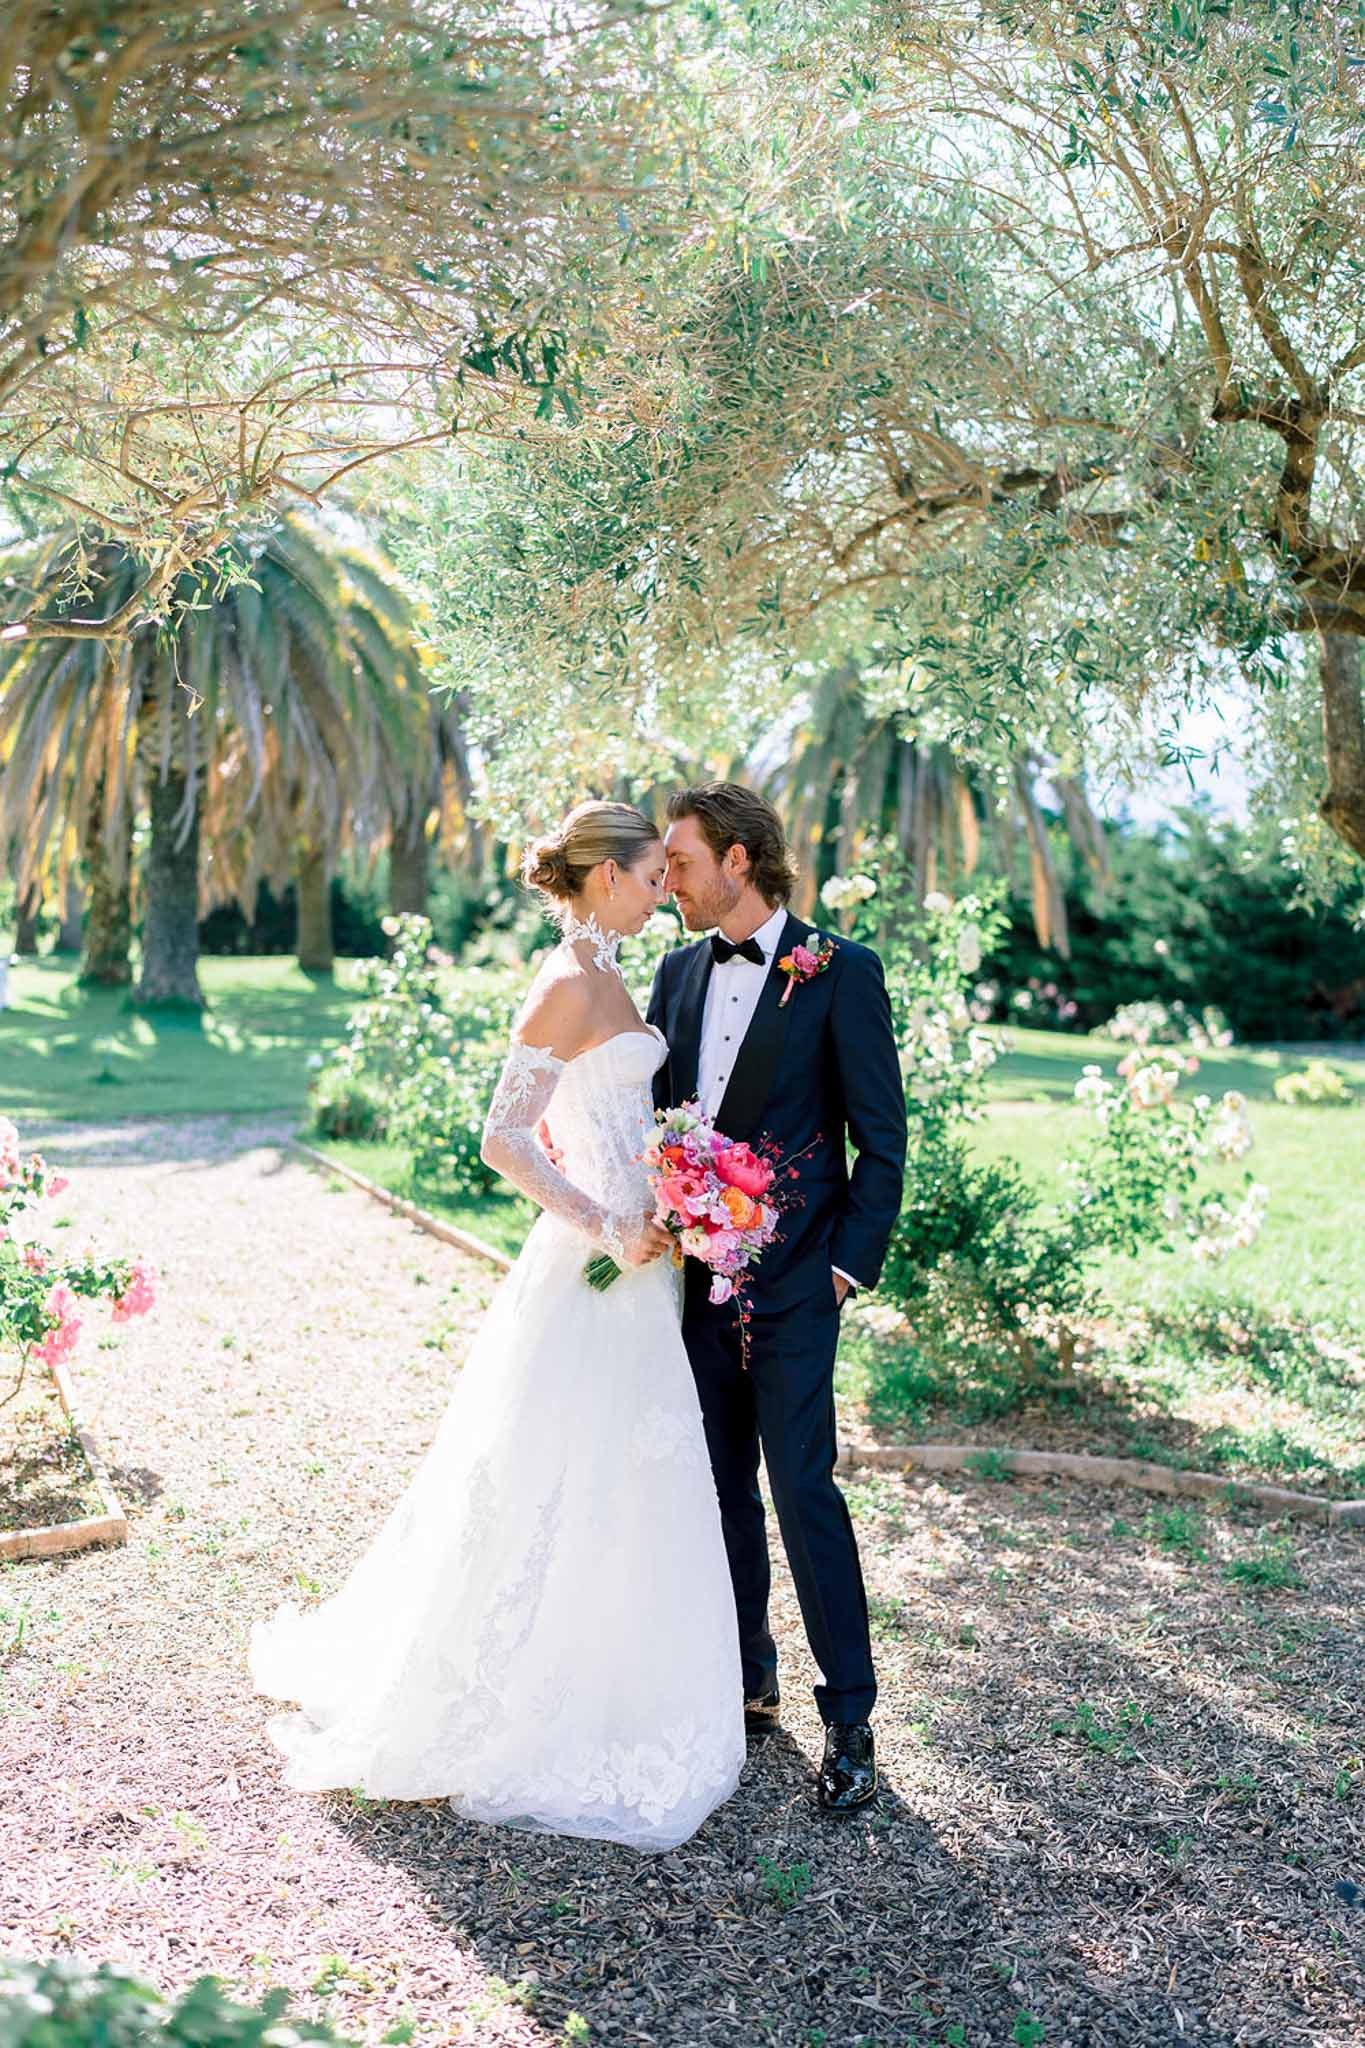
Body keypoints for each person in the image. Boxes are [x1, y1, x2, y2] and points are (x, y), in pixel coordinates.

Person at [250, 801, 745, 1852]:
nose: (666, 887)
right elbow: (502, 1136)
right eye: (654, 871)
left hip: (645, 1260)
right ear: (606, 874)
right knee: (557, 1465)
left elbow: (620, 1114)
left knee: (631, 1471)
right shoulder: (566, 981)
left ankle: (624, 1674)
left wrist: (672, 1190)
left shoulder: (617, 975)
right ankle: (523, 1692)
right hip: (593, 1261)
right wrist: (607, 1219)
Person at [648, 783, 907, 1812]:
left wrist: (846, 1264)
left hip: (800, 1285)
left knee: (805, 1491)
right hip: (691, 1291)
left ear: (741, 860)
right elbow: (664, 1122)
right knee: (717, 1491)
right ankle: (748, 1674)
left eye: (680, 860)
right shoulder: (674, 973)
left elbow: (882, 1138)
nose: (666, 879)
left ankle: (850, 1716)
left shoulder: (843, 973)